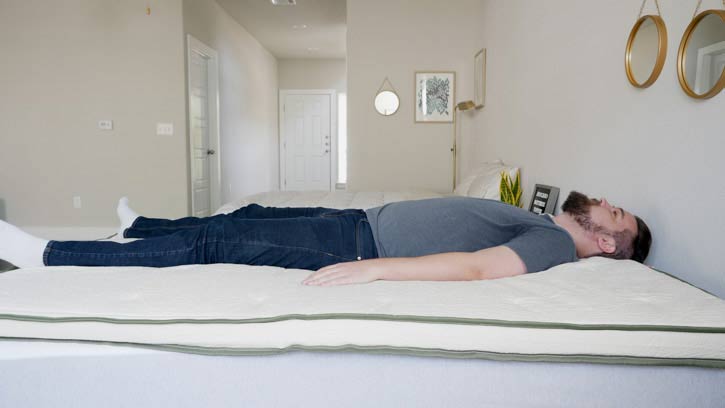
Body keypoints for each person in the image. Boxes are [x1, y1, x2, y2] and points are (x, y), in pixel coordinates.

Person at [0, 191, 651, 286]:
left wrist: (378, 271)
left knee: (216, 246)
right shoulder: (547, 220)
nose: (605, 206)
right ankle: (136, 228)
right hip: (355, 221)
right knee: (238, 215)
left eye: (614, 218)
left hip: (357, 246)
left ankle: (48, 256)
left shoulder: (553, 247)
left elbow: (480, 268)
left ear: (602, 245)